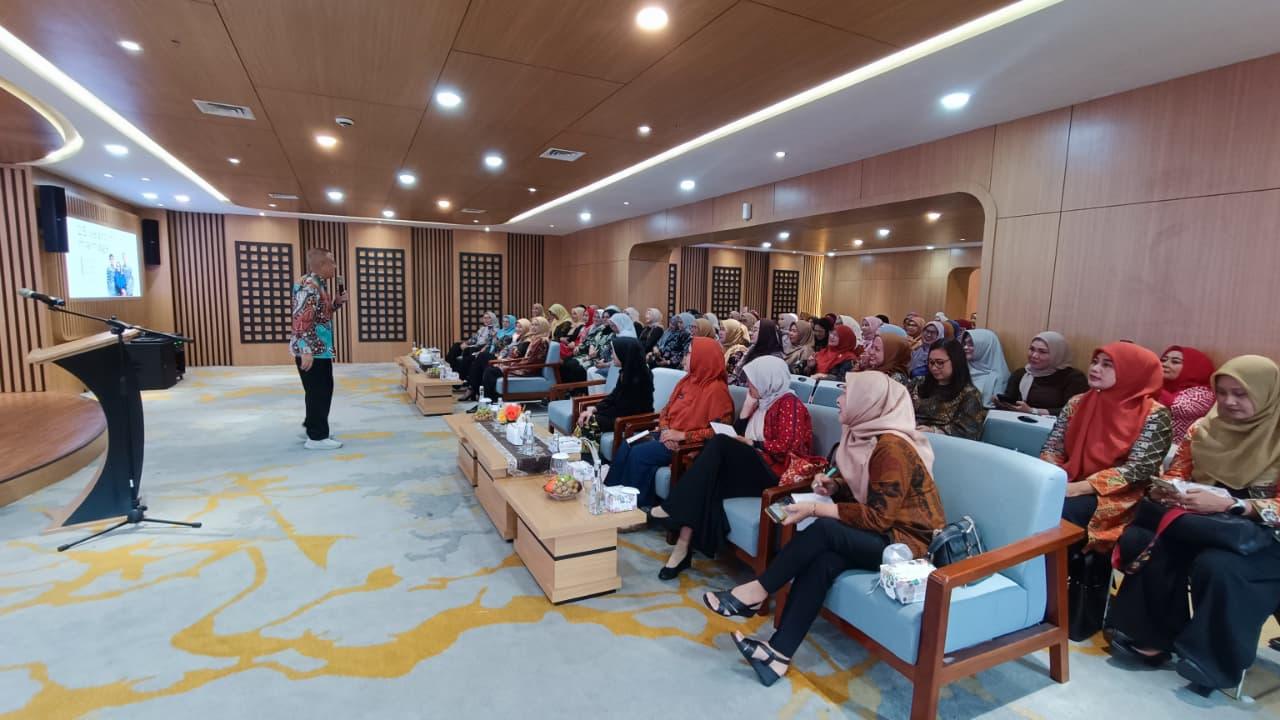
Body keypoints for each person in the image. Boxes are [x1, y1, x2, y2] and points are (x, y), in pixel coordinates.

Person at [700, 372, 944, 686]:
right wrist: (835, 485)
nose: (839, 400)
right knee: (823, 562)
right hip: (884, 534)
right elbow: (869, 487)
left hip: (907, 545)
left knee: (824, 529)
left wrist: (816, 508)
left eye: (847, 394)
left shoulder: (892, 447)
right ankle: (777, 654)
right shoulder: (864, 436)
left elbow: (879, 518)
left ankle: (757, 590)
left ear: (868, 402)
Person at [1106, 356, 1280, 694]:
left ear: (1267, 393)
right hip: (1205, 524)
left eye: (1241, 394)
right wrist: (1172, 490)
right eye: (1223, 393)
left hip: (1263, 536)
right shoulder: (1204, 428)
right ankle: (1154, 636)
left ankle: (1214, 661)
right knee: (1141, 539)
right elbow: (1178, 472)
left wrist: (1236, 505)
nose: (1229, 402)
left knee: (1218, 566)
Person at [651, 356, 812, 579]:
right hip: (754, 467)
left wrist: (753, 443)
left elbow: (788, 446)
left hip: (774, 474)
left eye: (753, 380)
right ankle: (682, 547)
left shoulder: (788, 403)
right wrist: (745, 411)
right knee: (709, 481)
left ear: (768, 380)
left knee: (718, 444)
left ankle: (674, 507)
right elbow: (737, 435)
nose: (748, 384)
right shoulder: (761, 402)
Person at [1040, 342, 1171, 553]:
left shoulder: (1154, 413)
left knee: (1061, 512)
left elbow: (1139, 469)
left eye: (1107, 364)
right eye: (1095, 362)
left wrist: (1078, 488)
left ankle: (1057, 571)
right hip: (1069, 480)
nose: (1095, 368)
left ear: (1131, 371)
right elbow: (1053, 447)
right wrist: (1054, 479)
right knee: (1031, 500)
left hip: (1120, 493)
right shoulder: (1078, 402)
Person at [609, 337, 734, 507]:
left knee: (639, 454)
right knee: (627, 444)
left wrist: (682, 436)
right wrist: (665, 429)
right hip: (666, 435)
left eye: (689, 353)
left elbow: (720, 433)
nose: (684, 358)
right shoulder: (687, 380)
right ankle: (610, 494)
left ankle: (633, 507)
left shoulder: (717, 391)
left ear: (702, 358)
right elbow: (666, 411)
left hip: (687, 446)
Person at [291, 247, 349, 449]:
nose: (335, 266)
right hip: (312, 349)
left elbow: (321, 314)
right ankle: (316, 438)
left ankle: (313, 427)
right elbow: (300, 317)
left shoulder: (319, 284)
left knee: (319, 390)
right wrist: (305, 349)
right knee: (319, 391)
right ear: (323, 264)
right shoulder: (309, 286)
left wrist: (336, 303)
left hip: (320, 348)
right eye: (332, 262)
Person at [576, 337, 654, 444]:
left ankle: (585, 453)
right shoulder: (626, 371)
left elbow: (625, 407)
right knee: (587, 417)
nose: (612, 355)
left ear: (623, 353)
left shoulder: (640, 376)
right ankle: (578, 450)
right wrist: (595, 408)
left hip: (636, 420)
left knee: (589, 421)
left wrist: (597, 413)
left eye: (613, 352)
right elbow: (614, 396)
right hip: (623, 415)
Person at [999, 331, 1089, 417]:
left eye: (1042, 352)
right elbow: (1011, 400)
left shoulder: (1073, 378)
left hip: (1054, 425)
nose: (1034, 355)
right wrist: (1001, 402)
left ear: (1057, 354)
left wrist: (1033, 411)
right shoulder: (1021, 373)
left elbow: (1073, 410)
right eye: (1032, 349)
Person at [911, 339, 987, 439]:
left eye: (940, 362)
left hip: (942, 441)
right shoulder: (918, 382)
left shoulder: (969, 394)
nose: (934, 368)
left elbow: (968, 431)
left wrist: (934, 431)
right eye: (931, 362)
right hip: (911, 433)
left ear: (955, 362)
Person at [481, 317, 550, 400]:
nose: (533, 327)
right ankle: (491, 399)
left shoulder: (541, 341)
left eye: (536, 325)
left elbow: (532, 361)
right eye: (532, 325)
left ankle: (490, 400)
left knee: (490, 371)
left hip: (528, 370)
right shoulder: (535, 339)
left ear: (543, 327)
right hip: (525, 366)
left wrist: (512, 365)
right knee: (491, 368)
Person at [1158, 345, 1216, 444]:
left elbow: (1178, 406)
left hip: (1180, 449)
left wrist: (1150, 385)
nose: (1164, 364)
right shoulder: (1161, 387)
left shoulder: (1204, 393)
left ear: (1192, 367)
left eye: (1175, 362)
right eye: (1163, 360)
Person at [462, 318, 529, 402]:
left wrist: (501, 357)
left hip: (508, 363)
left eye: (520, 327)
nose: (517, 329)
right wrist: (499, 348)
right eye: (517, 327)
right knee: (480, 357)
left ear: (526, 328)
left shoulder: (525, 341)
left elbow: (515, 355)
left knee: (483, 359)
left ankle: (474, 389)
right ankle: (474, 388)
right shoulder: (516, 338)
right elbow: (502, 347)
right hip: (501, 357)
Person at [960, 329, 1011, 407]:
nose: (965, 347)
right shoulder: (961, 369)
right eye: (965, 343)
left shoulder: (1000, 378)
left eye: (971, 344)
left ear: (986, 347)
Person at [729, 319, 786, 387]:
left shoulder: (774, 358)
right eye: (752, 330)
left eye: (755, 330)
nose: (751, 333)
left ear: (765, 333)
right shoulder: (752, 350)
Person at [446, 311, 497, 376]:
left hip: (482, 347)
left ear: (493, 319)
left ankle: (458, 372)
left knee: (468, 350)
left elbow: (489, 342)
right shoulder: (482, 329)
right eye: (484, 318)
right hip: (476, 345)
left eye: (488, 318)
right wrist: (466, 343)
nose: (486, 320)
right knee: (456, 345)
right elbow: (474, 338)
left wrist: (473, 346)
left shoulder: (494, 329)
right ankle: (450, 365)